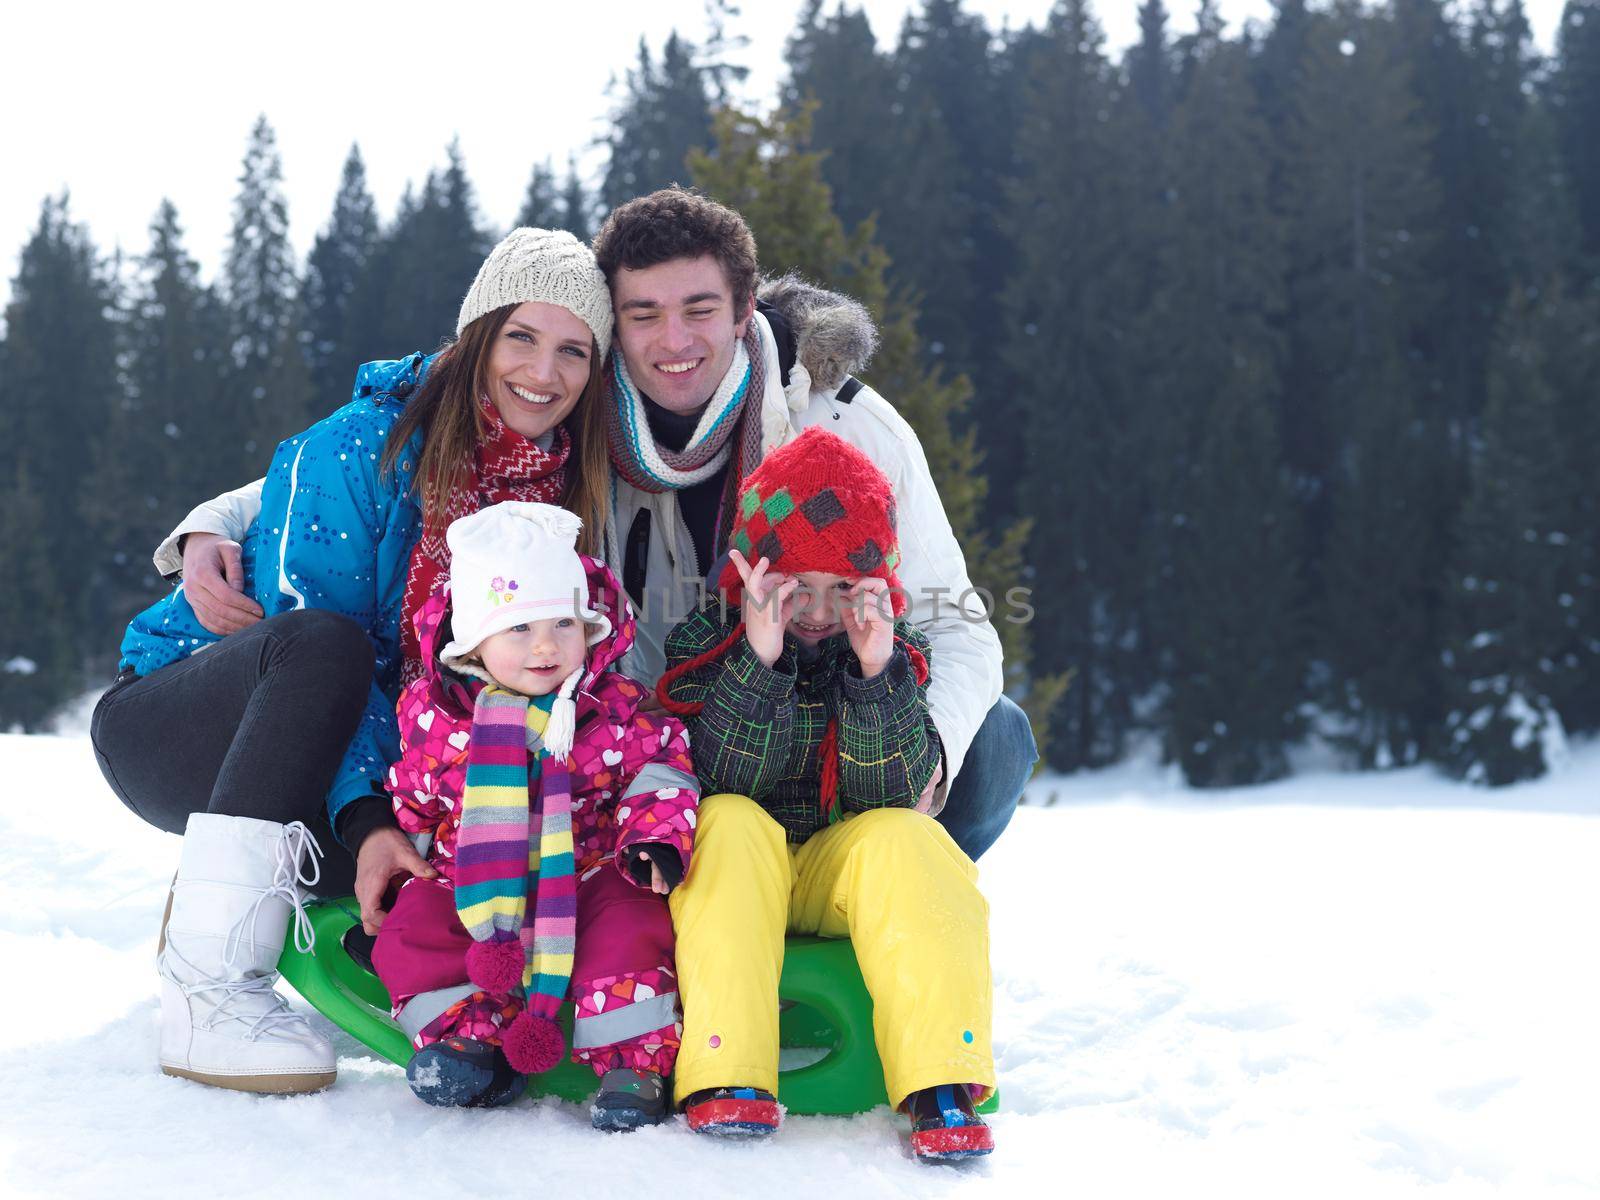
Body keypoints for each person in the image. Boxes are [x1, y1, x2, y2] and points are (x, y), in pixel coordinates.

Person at [171, 189, 1036, 864]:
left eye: (700, 310)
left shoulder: (842, 431)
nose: (675, 341)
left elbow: (958, 625)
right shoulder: (570, 418)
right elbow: (387, 449)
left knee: (995, 738)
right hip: (637, 747)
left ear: (746, 312)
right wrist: (220, 518)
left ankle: (881, 910)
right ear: (611, 328)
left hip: (817, 740)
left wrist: (929, 765)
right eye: (643, 315)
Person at [93, 229, 616, 1094]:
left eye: (573, 351)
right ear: (477, 337)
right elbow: (318, 652)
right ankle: (208, 994)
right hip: (187, 725)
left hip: (355, 758)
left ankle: (244, 908)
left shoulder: (553, 488)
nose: (545, 371)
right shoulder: (359, 446)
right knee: (327, 645)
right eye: (522, 335)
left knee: (461, 853)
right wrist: (371, 820)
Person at [658, 429, 995, 1162]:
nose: (814, 610)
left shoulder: (894, 653)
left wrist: (876, 676)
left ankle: (943, 1078)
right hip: (745, 872)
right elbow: (723, 776)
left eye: (840, 588)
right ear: (754, 576)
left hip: (839, 872)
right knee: (724, 817)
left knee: (910, 838)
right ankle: (727, 1067)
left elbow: (894, 795)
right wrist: (760, 658)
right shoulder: (707, 641)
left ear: (876, 586)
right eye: (793, 587)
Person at [374, 502, 697, 1128]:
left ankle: (633, 1060)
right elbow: (414, 792)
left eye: (563, 624)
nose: (546, 646)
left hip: (583, 875)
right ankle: (469, 1039)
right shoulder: (435, 719)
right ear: (473, 642)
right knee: (418, 923)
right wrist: (404, 852)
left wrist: (653, 839)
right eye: (519, 629)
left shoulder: (613, 710)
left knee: (630, 926)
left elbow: (661, 771)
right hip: (472, 883)